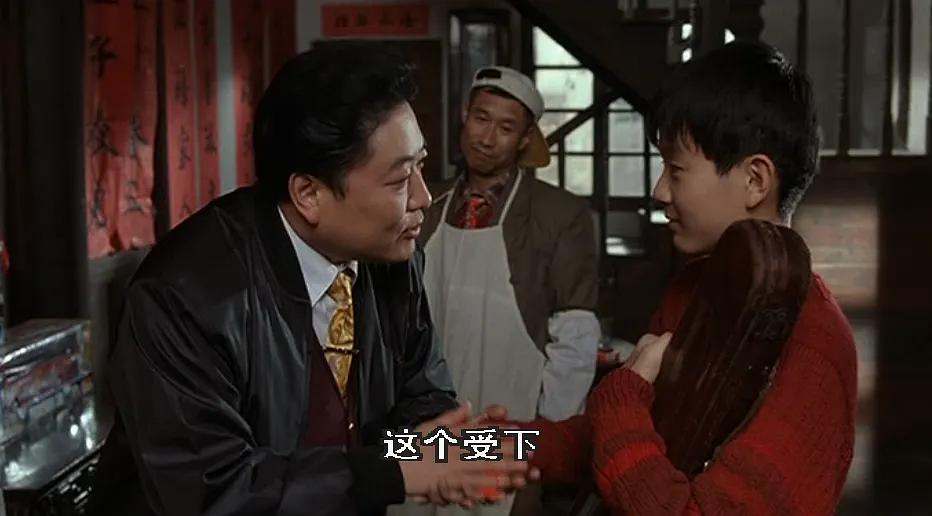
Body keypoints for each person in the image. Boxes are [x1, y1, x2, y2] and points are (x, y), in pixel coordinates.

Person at [87, 43, 535, 516]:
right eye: (400, 179)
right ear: (308, 194)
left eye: (421, 166)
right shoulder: (184, 298)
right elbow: (216, 492)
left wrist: (449, 448)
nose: (423, 197)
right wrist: (393, 472)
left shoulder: (393, 257)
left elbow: (417, 396)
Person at [520, 41, 858, 515]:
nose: (659, 191)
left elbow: (625, 429)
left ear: (755, 180)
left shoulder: (814, 347)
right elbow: (605, 443)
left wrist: (620, 397)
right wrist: (475, 446)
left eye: (676, 169)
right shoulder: (695, 287)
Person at [403, 66, 601, 515]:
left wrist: (545, 434)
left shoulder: (558, 214)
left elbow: (575, 335)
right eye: (481, 118)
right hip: (423, 416)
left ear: (526, 138)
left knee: (488, 505)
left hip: (506, 420)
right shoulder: (424, 205)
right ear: (464, 116)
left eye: (506, 128)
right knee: (413, 503)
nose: (487, 138)